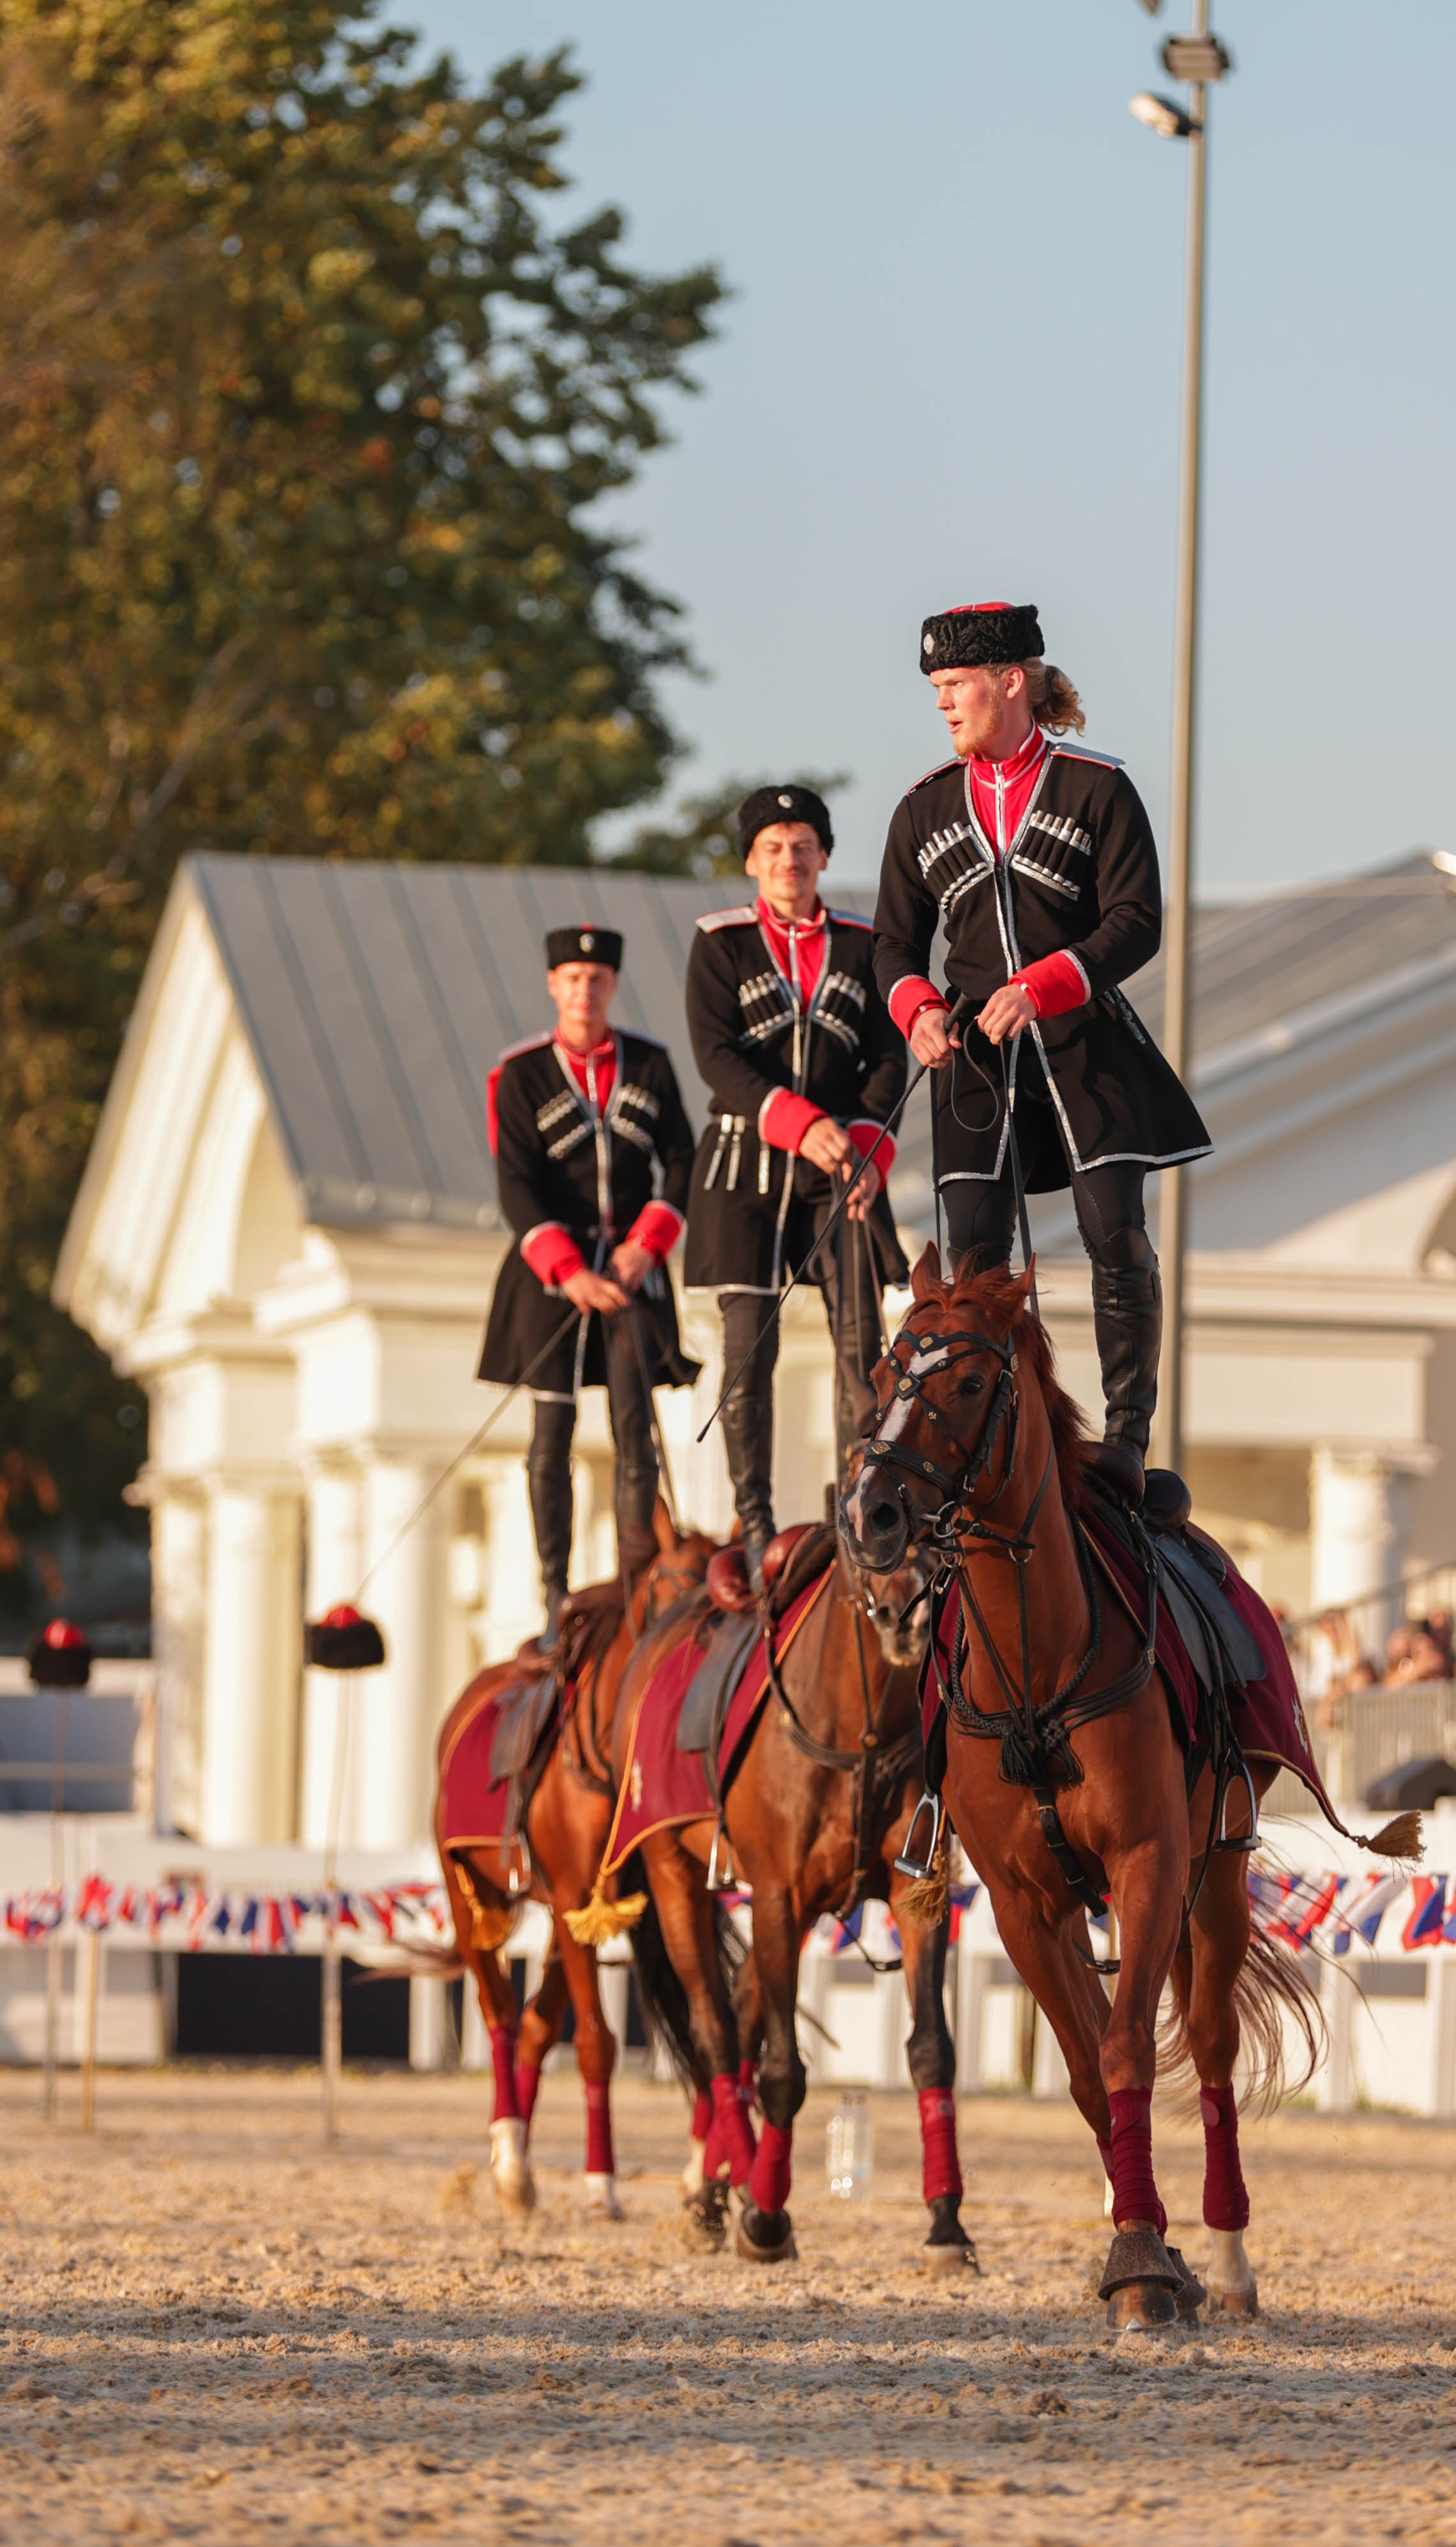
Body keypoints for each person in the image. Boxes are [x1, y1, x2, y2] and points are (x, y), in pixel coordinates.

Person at [872, 601, 1211, 1504]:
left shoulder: (1099, 787)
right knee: (972, 1265)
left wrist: (1050, 983)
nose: (944, 704)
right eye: (937, 689)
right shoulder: (923, 807)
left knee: (1117, 1234)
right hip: (975, 1061)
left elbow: (1138, 921)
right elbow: (893, 949)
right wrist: (917, 1013)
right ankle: (997, 1442)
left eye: (955, 687)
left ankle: (1127, 1436)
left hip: (1085, 1045)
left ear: (1010, 680)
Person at [684, 784, 907, 1586]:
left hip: (841, 1167)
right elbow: (715, 1054)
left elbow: (888, 1056)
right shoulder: (721, 943)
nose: (790, 859)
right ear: (751, 860)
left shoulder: (861, 943)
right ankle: (756, 1526)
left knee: (863, 1350)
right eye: (774, 847)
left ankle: (864, 1506)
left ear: (824, 856)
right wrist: (794, 1119)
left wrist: (868, 1143)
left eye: (804, 844)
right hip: (748, 1165)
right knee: (750, 1346)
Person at [478, 925, 699, 1646]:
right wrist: (567, 1270)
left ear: (612, 984)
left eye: (597, 977)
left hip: (632, 1267)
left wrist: (646, 1246)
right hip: (552, 1275)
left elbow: (681, 1164)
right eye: (572, 977)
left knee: (636, 1431)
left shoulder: (652, 1064)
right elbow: (515, 1181)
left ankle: (638, 1579)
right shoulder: (522, 1072)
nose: (585, 989)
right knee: (552, 1432)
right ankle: (553, 1594)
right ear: (553, 984)